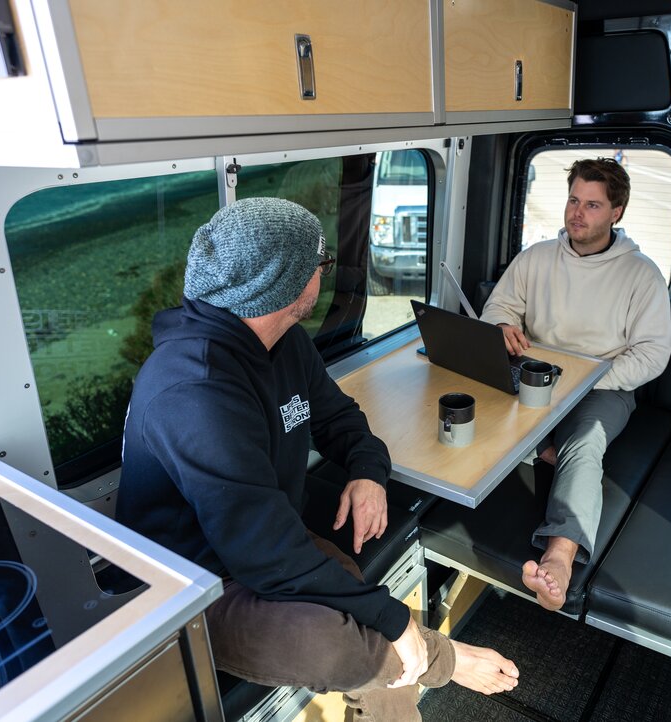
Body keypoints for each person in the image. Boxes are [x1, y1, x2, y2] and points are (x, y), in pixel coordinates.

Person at [117, 198, 518, 721]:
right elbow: (262, 554)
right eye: (320, 266)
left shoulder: (284, 344)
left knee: (368, 616)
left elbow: (341, 421)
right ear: (283, 283)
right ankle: (449, 658)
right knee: (348, 645)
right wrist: (408, 630)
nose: (324, 278)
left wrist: (368, 474)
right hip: (190, 589)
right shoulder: (196, 390)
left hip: (268, 540)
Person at [480, 158, 671, 612]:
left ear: (616, 213)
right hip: (533, 373)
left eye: (592, 205)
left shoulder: (641, 274)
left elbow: (652, 355)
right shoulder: (537, 258)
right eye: (572, 200)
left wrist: (584, 382)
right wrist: (503, 326)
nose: (576, 214)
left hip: (604, 388)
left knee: (584, 443)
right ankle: (547, 451)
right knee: (479, 402)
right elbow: (498, 309)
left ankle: (559, 558)